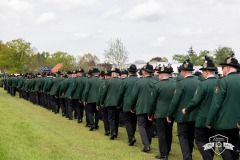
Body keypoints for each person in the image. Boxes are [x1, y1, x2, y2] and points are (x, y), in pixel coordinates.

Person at [182, 57, 217, 160]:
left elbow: (195, 101)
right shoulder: (220, 83)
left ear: (206, 72)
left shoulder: (203, 84)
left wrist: (186, 110)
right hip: (215, 118)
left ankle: (208, 158)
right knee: (211, 141)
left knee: (199, 140)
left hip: (202, 118)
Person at [206, 54, 240, 160]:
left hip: (223, 122)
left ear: (228, 68)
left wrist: (209, 121)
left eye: (223, 68)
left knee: (223, 148)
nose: (222, 70)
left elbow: (216, 104)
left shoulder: (222, 81)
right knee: (234, 148)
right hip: (237, 122)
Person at [167, 59, 200, 160]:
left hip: (183, 114)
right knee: (190, 136)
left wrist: (169, 114)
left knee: (183, 136)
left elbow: (175, 101)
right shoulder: (199, 82)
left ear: (184, 72)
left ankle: (187, 157)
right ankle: (188, 154)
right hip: (195, 114)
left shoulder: (181, 83)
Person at [150, 65, 176, 159]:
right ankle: (167, 150)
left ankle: (163, 153)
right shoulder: (175, 84)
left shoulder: (157, 85)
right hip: (171, 112)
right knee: (169, 132)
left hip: (160, 113)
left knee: (161, 133)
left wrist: (150, 113)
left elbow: (152, 101)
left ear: (161, 75)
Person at [131, 62, 158, 152]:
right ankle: (148, 142)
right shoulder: (156, 82)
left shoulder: (139, 82)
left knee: (141, 126)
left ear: (145, 72)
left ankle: (146, 145)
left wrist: (132, 106)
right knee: (149, 126)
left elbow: (134, 96)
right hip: (152, 107)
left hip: (141, 106)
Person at [118, 64, 139, 146]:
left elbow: (120, 94)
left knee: (127, 121)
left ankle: (131, 137)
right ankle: (132, 136)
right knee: (134, 121)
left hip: (127, 104)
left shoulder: (125, 81)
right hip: (136, 104)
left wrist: (118, 103)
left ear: (129, 72)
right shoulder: (139, 80)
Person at [100, 68, 122, 140]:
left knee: (111, 118)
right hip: (118, 102)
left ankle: (113, 132)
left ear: (113, 74)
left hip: (110, 102)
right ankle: (116, 132)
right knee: (116, 118)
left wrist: (102, 102)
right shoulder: (121, 81)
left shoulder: (109, 81)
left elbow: (104, 92)